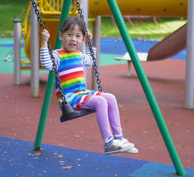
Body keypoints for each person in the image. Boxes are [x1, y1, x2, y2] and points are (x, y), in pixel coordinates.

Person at [40, 16, 138, 154]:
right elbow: (46, 64)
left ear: (82, 39)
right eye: (69, 35)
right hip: (69, 98)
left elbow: (92, 60)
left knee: (110, 97)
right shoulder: (57, 55)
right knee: (100, 101)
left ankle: (119, 138)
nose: (73, 39)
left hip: (82, 93)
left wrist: (89, 43)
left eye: (78, 36)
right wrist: (44, 42)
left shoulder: (79, 55)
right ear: (61, 36)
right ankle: (109, 143)